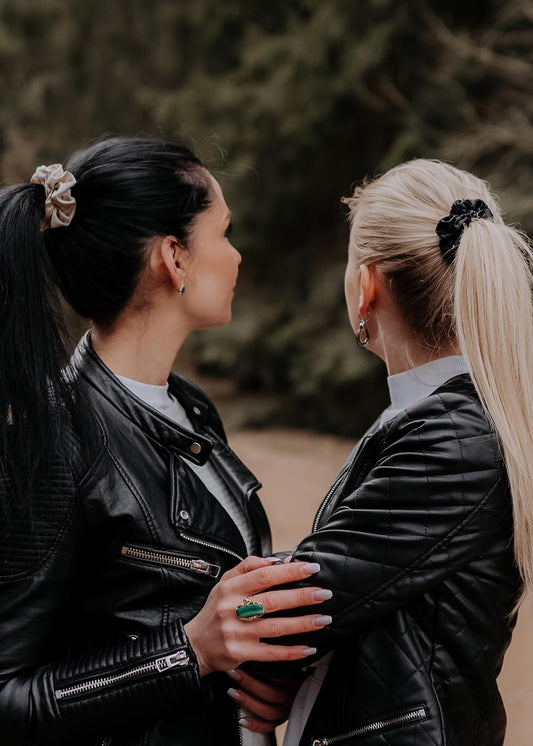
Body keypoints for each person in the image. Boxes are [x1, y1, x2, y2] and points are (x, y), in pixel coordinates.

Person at [0, 137, 333, 746]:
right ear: (174, 258)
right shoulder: (55, 438)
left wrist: (255, 674)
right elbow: (9, 696)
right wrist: (188, 653)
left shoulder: (192, 408)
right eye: (224, 233)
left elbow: (214, 610)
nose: (236, 255)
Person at [259, 159, 532, 746]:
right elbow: (367, 588)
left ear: (367, 286)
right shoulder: (441, 419)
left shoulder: (454, 440)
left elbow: (300, 597)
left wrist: (222, 628)